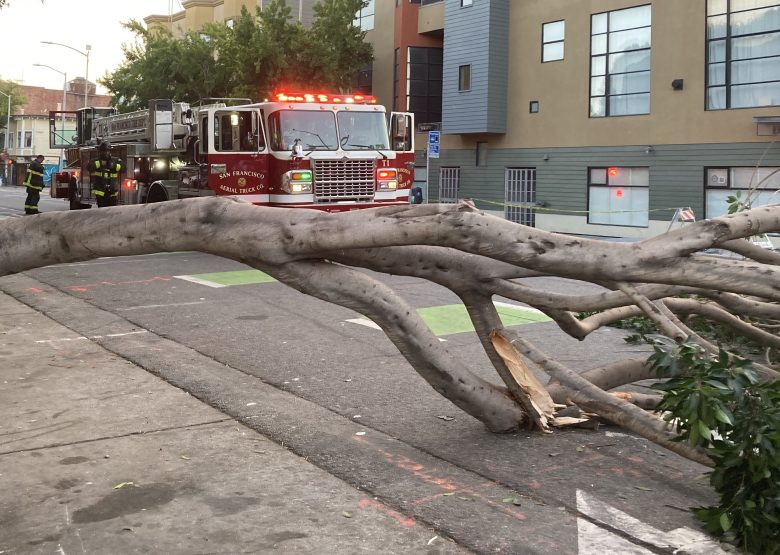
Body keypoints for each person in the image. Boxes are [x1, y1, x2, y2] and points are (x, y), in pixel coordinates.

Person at [88, 143, 123, 207]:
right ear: (100, 152)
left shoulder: (115, 160)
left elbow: (124, 168)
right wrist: (100, 163)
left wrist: (114, 166)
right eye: (103, 151)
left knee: (112, 211)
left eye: (107, 151)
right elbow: (89, 167)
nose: (105, 153)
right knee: (103, 211)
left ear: (110, 151)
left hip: (112, 192)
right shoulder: (96, 160)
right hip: (100, 193)